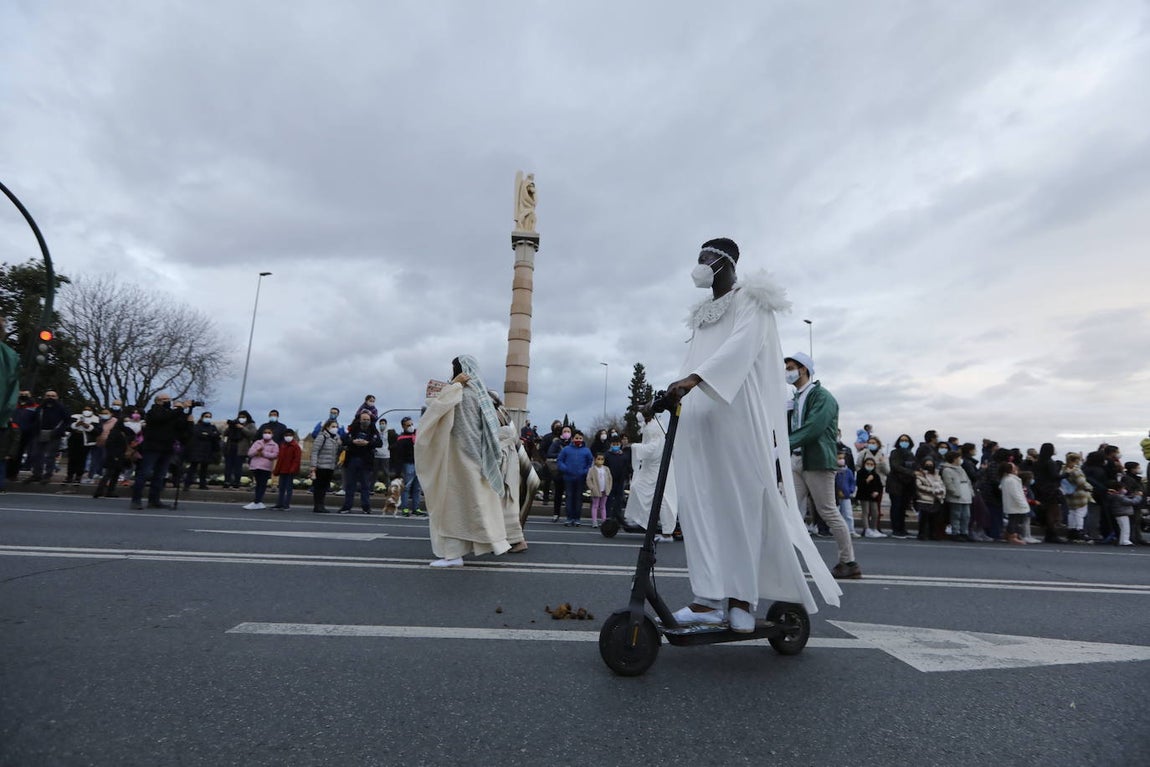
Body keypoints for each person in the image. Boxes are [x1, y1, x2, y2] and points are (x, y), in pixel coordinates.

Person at [665, 238, 840, 632]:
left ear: (726, 262)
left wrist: (697, 378)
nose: (700, 264)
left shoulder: (752, 301)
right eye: (698, 258)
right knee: (700, 508)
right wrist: (667, 394)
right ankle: (707, 600)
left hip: (736, 419)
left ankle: (742, 597)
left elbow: (742, 348)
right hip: (698, 421)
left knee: (739, 505)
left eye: (707, 258)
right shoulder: (703, 313)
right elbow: (690, 361)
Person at [414, 355, 519, 566]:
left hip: (459, 457)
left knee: (452, 507)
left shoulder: (458, 393)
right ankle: (489, 543)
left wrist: (453, 384)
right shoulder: (482, 396)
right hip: (478, 457)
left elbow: (435, 411)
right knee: (474, 506)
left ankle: (453, 555)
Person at [785, 351, 862, 578]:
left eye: (790, 367)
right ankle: (784, 560)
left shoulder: (822, 396)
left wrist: (782, 444)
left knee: (827, 511)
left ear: (804, 369)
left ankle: (849, 562)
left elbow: (814, 428)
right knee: (787, 508)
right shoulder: (796, 398)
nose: (787, 372)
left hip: (817, 461)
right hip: (797, 459)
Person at [129, 393, 192, 510]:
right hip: (152, 447)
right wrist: (181, 408)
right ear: (158, 401)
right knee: (145, 473)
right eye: (165, 399)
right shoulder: (153, 412)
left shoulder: (172, 414)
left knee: (160, 475)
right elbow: (161, 418)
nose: (168, 401)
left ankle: (154, 500)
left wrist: (187, 418)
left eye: (169, 399)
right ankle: (136, 500)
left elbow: (180, 428)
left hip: (167, 447)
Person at [623, 411, 678, 541]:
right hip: (650, 467)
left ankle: (667, 533)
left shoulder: (654, 427)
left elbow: (654, 449)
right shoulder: (650, 427)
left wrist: (634, 447)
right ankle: (639, 518)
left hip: (657, 467)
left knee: (663, 498)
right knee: (637, 487)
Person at [339, 412, 382, 514]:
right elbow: (344, 439)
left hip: (366, 461)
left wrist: (368, 443)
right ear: (360, 419)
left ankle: (366, 507)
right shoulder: (353, 429)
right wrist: (353, 441)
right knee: (350, 485)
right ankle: (347, 506)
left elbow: (379, 443)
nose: (365, 421)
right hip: (352, 459)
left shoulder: (373, 431)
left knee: (365, 486)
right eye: (364, 419)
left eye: (367, 420)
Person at [24, 390, 69, 483]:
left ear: (57, 397)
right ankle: (36, 474)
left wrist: (59, 431)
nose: (50, 397)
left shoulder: (62, 408)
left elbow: (67, 421)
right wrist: (34, 429)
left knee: (50, 456)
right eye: (48, 395)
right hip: (39, 433)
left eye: (53, 396)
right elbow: (33, 420)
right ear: (44, 397)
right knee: (36, 455)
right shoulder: (40, 408)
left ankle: (48, 475)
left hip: (54, 434)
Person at [557, 431, 594, 527]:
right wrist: (565, 469)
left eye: (580, 438)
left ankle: (577, 518)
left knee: (578, 498)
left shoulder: (586, 451)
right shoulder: (566, 449)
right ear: (573, 439)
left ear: (582, 439)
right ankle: (569, 518)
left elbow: (590, 463)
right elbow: (560, 461)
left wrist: (585, 471)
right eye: (576, 438)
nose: (578, 440)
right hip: (568, 477)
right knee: (569, 497)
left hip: (581, 478)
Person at [93, 414, 133, 499]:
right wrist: (114, 455)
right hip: (114, 456)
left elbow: (131, 436)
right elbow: (109, 445)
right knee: (109, 474)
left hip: (121, 456)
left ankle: (110, 491)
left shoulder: (125, 432)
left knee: (115, 474)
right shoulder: (115, 432)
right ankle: (99, 491)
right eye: (125, 421)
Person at [887, 434, 918, 539]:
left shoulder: (911, 454)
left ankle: (902, 529)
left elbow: (915, 467)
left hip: (907, 485)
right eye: (902, 440)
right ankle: (896, 530)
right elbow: (895, 467)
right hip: (895, 484)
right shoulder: (894, 453)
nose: (904, 442)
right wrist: (911, 473)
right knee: (896, 507)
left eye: (906, 440)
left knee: (903, 508)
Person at [183, 410, 221, 490]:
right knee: (193, 468)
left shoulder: (212, 427)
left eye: (209, 417)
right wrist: (209, 435)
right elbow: (199, 434)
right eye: (206, 417)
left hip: (208, 450)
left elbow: (216, 435)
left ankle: (202, 484)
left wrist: (208, 435)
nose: (208, 418)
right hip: (197, 449)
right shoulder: (197, 426)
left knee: (204, 469)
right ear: (202, 417)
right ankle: (187, 484)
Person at [309, 419, 341, 513]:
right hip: (321, 466)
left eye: (336, 427)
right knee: (319, 487)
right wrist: (313, 465)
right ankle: (317, 505)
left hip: (330, 466)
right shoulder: (322, 436)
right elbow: (315, 451)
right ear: (327, 427)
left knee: (324, 487)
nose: (335, 428)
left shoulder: (336, 438)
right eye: (333, 426)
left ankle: (321, 505)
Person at [243, 428, 279, 510]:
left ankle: (257, 501)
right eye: (265, 432)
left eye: (269, 432)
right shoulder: (257, 442)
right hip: (255, 466)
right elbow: (250, 453)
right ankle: (257, 501)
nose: (267, 434)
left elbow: (274, 455)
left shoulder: (274, 445)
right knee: (258, 484)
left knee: (262, 484)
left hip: (266, 467)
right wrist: (257, 451)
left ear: (272, 434)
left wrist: (263, 453)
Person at [941, 451, 973, 541]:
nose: (960, 460)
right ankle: (955, 532)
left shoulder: (961, 468)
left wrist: (971, 491)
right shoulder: (947, 470)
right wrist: (954, 492)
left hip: (965, 493)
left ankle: (964, 532)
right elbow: (949, 483)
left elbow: (968, 481)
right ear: (954, 459)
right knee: (956, 514)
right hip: (956, 495)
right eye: (959, 458)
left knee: (966, 515)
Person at [65, 405, 99, 484]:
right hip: (74, 438)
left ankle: (78, 476)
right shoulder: (75, 416)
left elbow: (97, 431)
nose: (87, 411)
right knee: (72, 458)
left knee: (82, 459)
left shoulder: (96, 419)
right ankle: (69, 475)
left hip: (86, 441)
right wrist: (76, 424)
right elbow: (67, 427)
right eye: (85, 409)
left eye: (89, 409)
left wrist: (88, 426)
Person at [395, 416, 422, 515]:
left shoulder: (417, 435)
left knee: (417, 488)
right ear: (403, 426)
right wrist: (398, 471)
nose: (410, 426)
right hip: (408, 464)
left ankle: (416, 508)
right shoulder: (402, 439)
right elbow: (399, 455)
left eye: (411, 424)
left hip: (418, 463)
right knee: (406, 487)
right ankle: (405, 508)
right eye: (408, 425)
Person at [913, 458, 945, 540]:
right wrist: (932, 490)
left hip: (936, 499)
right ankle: (922, 534)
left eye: (931, 465)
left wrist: (942, 492)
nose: (929, 466)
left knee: (934, 519)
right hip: (924, 498)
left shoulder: (937, 475)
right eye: (927, 464)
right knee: (924, 519)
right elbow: (919, 486)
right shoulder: (920, 474)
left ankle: (933, 534)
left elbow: (942, 484)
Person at [1062, 452, 1092, 542]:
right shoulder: (1076, 470)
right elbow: (1082, 482)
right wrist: (1090, 487)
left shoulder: (1064, 469)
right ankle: (1079, 530)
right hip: (1079, 494)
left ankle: (1071, 530)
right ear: (1076, 460)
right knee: (1080, 512)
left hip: (1069, 493)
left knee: (1071, 512)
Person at [546, 425, 573, 522]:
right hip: (559, 472)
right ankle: (556, 514)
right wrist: (562, 454)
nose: (566, 433)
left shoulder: (573, 443)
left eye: (568, 431)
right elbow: (550, 453)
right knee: (558, 494)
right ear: (561, 433)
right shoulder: (557, 443)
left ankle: (570, 515)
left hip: (571, 472)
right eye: (565, 431)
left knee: (570, 494)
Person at [223, 411, 257, 489]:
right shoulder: (234, 423)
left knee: (238, 467)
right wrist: (231, 426)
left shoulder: (251, 425)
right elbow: (225, 433)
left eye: (243, 417)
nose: (241, 418)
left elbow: (252, 434)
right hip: (230, 447)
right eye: (240, 417)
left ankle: (236, 482)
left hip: (241, 449)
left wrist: (242, 428)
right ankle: (227, 481)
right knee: (228, 466)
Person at [271, 429, 302, 510]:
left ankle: (286, 504)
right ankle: (279, 504)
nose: (288, 437)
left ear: (293, 436)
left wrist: (292, 469)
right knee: (281, 488)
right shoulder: (282, 445)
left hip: (289, 471)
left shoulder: (295, 446)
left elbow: (296, 460)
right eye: (286, 435)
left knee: (288, 489)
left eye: (290, 435)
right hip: (282, 470)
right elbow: (280, 460)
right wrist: (276, 470)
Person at [855, 454, 886, 538]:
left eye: (871, 464)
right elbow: (859, 484)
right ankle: (866, 529)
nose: (869, 466)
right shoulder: (860, 473)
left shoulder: (875, 474)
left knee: (875, 512)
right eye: (867, 464)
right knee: (866, 512)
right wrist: (867, 480)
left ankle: (874, 528)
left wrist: (876, 492)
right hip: (864, 495)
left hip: (873, 496)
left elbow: (879, 485)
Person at [1000, 462, 1029, 545]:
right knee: (1015, 520)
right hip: (1015, 504)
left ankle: (1008, 534)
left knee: (1013, 520)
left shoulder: (1006, 479)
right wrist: (1022, 503)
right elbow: (1015, 493)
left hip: (1011, 503)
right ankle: (1013, 536)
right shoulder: (1011, 480)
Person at [603, 435, 630, 524]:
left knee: (619, 499)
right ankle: (607, 516)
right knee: (609, 499)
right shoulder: (607, 455)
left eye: (617, 444)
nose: (616, 446)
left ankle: (617, 516)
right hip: (610, 481)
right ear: (611, 444)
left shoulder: (624, 456)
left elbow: (627, 467)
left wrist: (626, 476)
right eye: (614, 444)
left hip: (621, 480)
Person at [834, 451, 858, 538]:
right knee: (836, 514)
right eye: (839, 458)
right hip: (835, 497)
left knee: (848, 514)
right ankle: (837, 531)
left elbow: (852, 482)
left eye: (842, 458)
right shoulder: (834, 471)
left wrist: (850, 491)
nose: (841, 460)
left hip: (846, 496)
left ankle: (851, 530)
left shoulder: (848, 471)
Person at [586, 453, 612, 529]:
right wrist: (592, 488)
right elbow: (588, 479)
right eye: (598, 459)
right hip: (596, 490)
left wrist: (609, 488)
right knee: (595, 505)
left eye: (602, 459)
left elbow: (610, 479)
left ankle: (604, 521)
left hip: (605, 489)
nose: (600, 461)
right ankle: (594, 521)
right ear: (595, 460)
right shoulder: (592, 469)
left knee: (603, 506)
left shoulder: (606, 469)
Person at [374, 417, 391, 484]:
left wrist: (390, 448)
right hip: (376, 455)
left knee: (386, 472)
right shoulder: (376, 432)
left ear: (386, 424)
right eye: (380, 423)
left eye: (383, 423)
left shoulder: (390, 432)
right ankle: (372, 487)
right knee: (374, 472)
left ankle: (388, 486)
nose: (382, 425)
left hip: (385, 455)